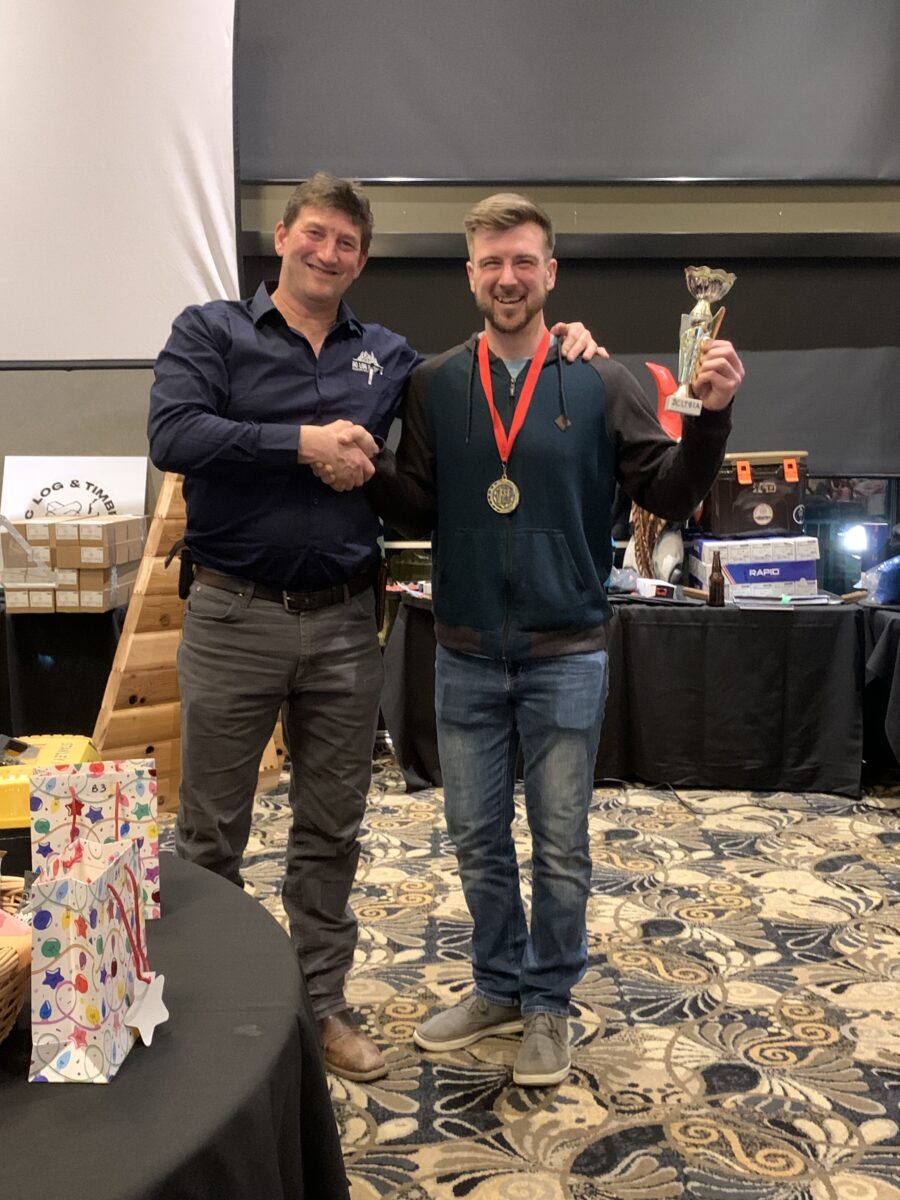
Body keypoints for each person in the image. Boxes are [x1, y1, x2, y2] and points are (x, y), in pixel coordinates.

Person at [147, 173, 599, 1082]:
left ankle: (321, 1006)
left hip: (348, 623)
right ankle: (202, 1012)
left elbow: (486, 378)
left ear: (362, 259)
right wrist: (300, 443)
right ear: (282, 237)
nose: (328, 253)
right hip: (234, 615)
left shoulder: (389, 358)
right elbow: (175, 435)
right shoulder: (212, 332)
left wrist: (567, 345)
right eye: (315, 234)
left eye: (347, 243)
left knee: (331, 831)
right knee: (209, 835)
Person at [361, 192, 745, 1086]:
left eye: (524, 262)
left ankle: (549, 1005)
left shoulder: (599, 380)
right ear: (470, 274)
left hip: (566, 652)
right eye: (492, 263)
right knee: (475, 837)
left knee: (561, 844)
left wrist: (713, 417)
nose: (508, 278)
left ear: (550, 272)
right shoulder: (435, 382)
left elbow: (668, 494)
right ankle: (498, 987)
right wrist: (366, 466)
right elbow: (414, 506)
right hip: (463, 649)